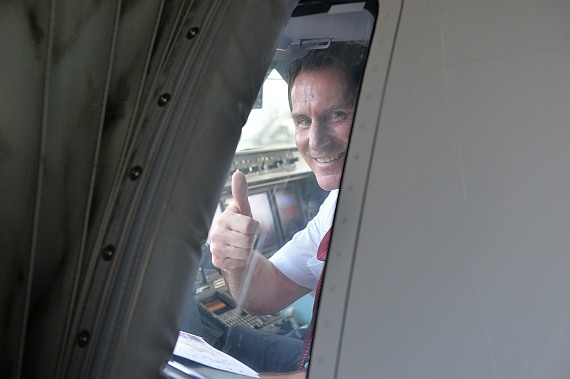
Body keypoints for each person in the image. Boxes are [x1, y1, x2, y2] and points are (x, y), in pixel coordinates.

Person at [209, 42, 367, 378]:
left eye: (336, 114)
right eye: (303, 120)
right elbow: (268, 291)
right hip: (319, 349)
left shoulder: (403, 218)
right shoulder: (342, 200)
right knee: (223, 339)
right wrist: (237, 261)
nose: (314, 141)